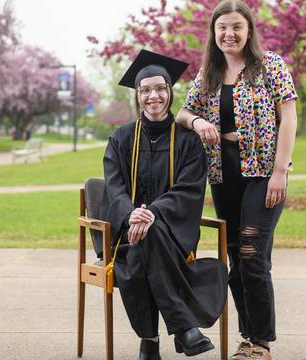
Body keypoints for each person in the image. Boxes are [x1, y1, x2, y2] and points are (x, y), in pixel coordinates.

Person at [176, 1, 298, 359]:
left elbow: (288, 119)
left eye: (236, 27)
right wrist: (197, 122)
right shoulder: (208, 73)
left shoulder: (271, 66)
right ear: (214, 34)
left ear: (249, 31)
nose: (229, 34)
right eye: (222, 28)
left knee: (251, 252)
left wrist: (280, 171)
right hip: (223, 174)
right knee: (235, 256)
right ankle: (249, 335)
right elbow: (184, 111)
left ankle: (260, 342)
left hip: (263, 173)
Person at [98, 49, 228, 359]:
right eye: (145, 90)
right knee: (144, 240)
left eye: (160, 88)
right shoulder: (121, 138)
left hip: (173, 235)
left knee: (151, 236)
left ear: (170, 92)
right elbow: (114, 189)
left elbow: (188, 191)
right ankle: (184, 329)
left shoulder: (188, 140)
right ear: (137, 96)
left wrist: (153, 213)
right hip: (127, 235)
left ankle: (150, 342)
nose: (153, 96)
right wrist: (133, 216)